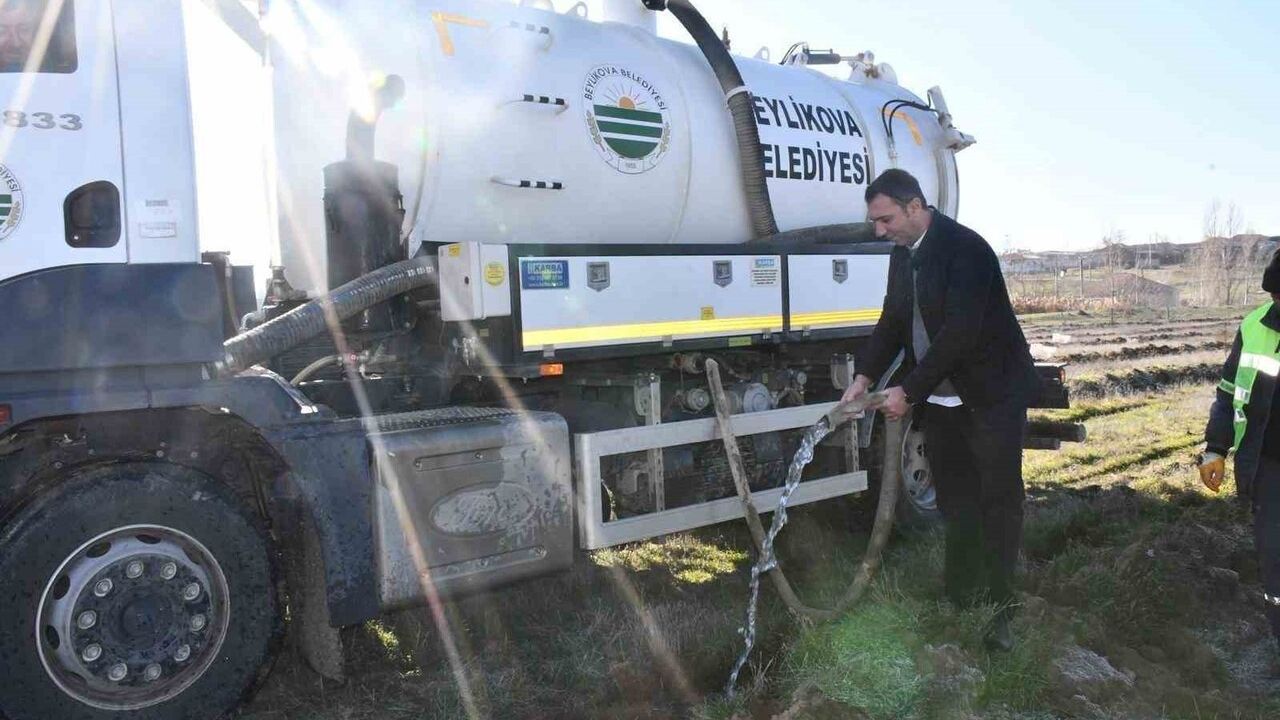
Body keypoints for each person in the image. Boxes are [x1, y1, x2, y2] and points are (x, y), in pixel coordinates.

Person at [842, 168, 1041, 651]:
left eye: (885, 219)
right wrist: (864, 377)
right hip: (944, 401)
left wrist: (907, 391)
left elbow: (960, 335)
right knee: (956, 500)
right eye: (874, 221)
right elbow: (892, 320)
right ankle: (959, 596)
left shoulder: (965, 249)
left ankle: (1000, 609)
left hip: (991, 395)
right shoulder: (902, 256)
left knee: (998, 501)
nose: (879, 230)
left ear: (915, 207)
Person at [1199, 250, 1280, 655]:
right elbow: (1230, 393)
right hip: (1268, 468)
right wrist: (1215, 449)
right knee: (1274, 562)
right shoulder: (1254, 325)